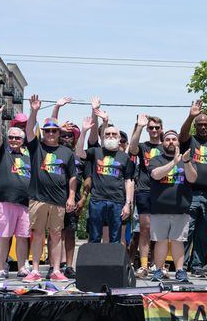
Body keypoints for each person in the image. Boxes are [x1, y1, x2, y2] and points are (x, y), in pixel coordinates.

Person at [24, 95, 77, 283]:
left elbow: (72, 176)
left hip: (59, 201)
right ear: (44, 133)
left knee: (56, 235)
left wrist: (71, 197)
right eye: (47, 131)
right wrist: (34, 111)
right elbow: (29, 130)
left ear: (59, 133)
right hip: (38, 198)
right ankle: (36, 270)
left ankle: (55, 270)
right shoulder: (36, 147)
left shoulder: (66, 152)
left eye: (54, 131)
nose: (51, 134)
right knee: (37, 234)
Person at [178, 100, 207, 276]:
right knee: (187, 230)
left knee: (204, 233)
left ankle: (196, 265)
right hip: (191, 192)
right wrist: (191, 116)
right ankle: (182, 264)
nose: (204, 128)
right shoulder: (190, 141)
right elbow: (182, 135)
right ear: (196, 126)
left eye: (206, 125)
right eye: (200, 125)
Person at [0, 100, 31, 279]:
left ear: (23, 140)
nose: (13, 140)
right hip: (5, 200)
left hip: (25, 203)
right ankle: (1, 268)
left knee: (22, 237)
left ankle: (21, 268)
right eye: (11, 137)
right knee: (4, 236)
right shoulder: (2, 151)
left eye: (17, 138)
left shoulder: (30, 154)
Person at [148, 130, 198, 282]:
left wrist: (186, 162)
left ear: (178, 142)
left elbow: (193, 178)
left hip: (180, 209)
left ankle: (180, 271)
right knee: (161, 241)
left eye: (174, 139)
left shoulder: (187, 159)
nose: (171, 142)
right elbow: (155, 174)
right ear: (163, 143)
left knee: (178, 241)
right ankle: (158, 270)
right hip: (159, 209)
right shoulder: (156, 159)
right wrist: (174, 163)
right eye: (168, 139)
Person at [76, 117, 135, 243]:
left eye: (114, 134)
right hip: (97, 200)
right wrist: (84, 131)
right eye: (107, 134)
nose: (111, 136)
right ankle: (93, 263)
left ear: (119, 139)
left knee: (115, 238)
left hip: (117, 202)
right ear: (103, 137)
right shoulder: (96, 152)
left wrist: (127, 204)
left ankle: (113, 263)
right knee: (94, 237)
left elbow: (128, 182)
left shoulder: (125, 158)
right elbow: (79, 152)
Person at [51, 95, 85, 279]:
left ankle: (69, 266)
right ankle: (53, 265)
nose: (65, 137)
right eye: (63, 134)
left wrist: (81, 199)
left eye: (69, 135)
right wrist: (57, 107)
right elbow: (50, 126)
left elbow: (87, 179)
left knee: (70, 233)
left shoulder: (78, 155)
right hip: (52, 197)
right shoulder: (51, 149)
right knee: (54, 233)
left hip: (72, 199)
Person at [129, 113, 164, 277]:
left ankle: (159, 265)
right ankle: (144, 265)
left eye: (157, 127)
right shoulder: (143, 146)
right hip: (144, 190)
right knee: (145, 229)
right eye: (151, 128)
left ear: (161, 129)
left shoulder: (166, 146)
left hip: (163, 191)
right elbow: (132, 148)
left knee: (161, 231)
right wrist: (140, 126)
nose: (154, 130)